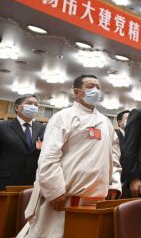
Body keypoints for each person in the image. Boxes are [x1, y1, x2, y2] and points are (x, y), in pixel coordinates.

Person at [17, 74, 121, 238]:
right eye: (90, 86)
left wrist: (114, 184)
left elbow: (114, 157)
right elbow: (49, 157)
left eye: (98, 87)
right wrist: (54, 190)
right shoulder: (62, 117)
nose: (95, 91)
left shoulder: (106, 122)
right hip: (62, 200)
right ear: (77, 92)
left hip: (97, 202)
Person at [0, 94, 45, 190]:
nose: (33, 107)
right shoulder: (3, 126)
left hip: (33, 180)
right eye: (29, 103)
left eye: (36, 105)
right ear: (17, 107)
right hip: (7, 180)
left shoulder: (42, 128)